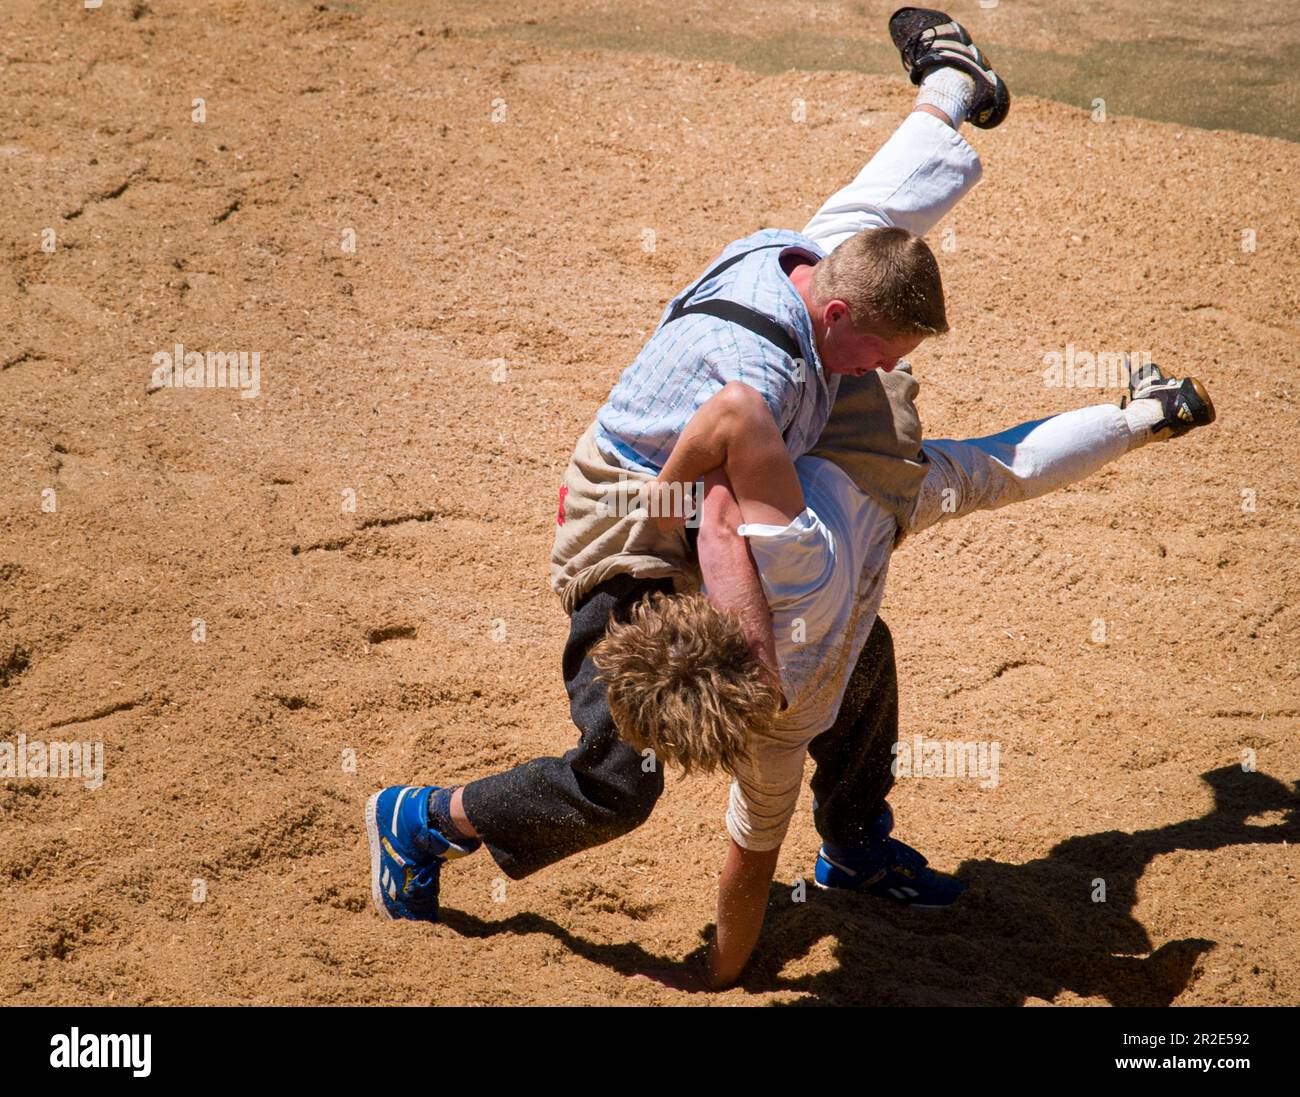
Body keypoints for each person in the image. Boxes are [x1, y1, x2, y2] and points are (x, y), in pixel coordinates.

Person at [365, 8, 1020, 951]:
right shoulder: (762, 382)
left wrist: (947, 100)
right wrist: (745, 648)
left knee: (854, 650)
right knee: (617, 782)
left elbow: (884, 210)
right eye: (880, 352)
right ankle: (425, 818)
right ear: (836, 315)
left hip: (684, 483)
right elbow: (702, 510)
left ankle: (853, 842)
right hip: (630, 525)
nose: (884, 369)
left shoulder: (792, 260)